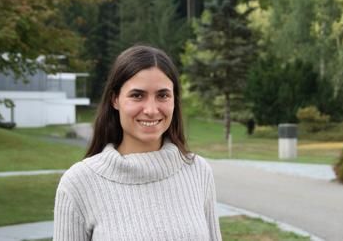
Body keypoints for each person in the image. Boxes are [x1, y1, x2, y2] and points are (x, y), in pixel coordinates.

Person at [53, 45, 222, 241]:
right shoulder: (78, 183)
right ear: (115, 99)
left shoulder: (198, 171)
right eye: (137, 95)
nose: (151, 109)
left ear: (174, 100)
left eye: (163, 95)